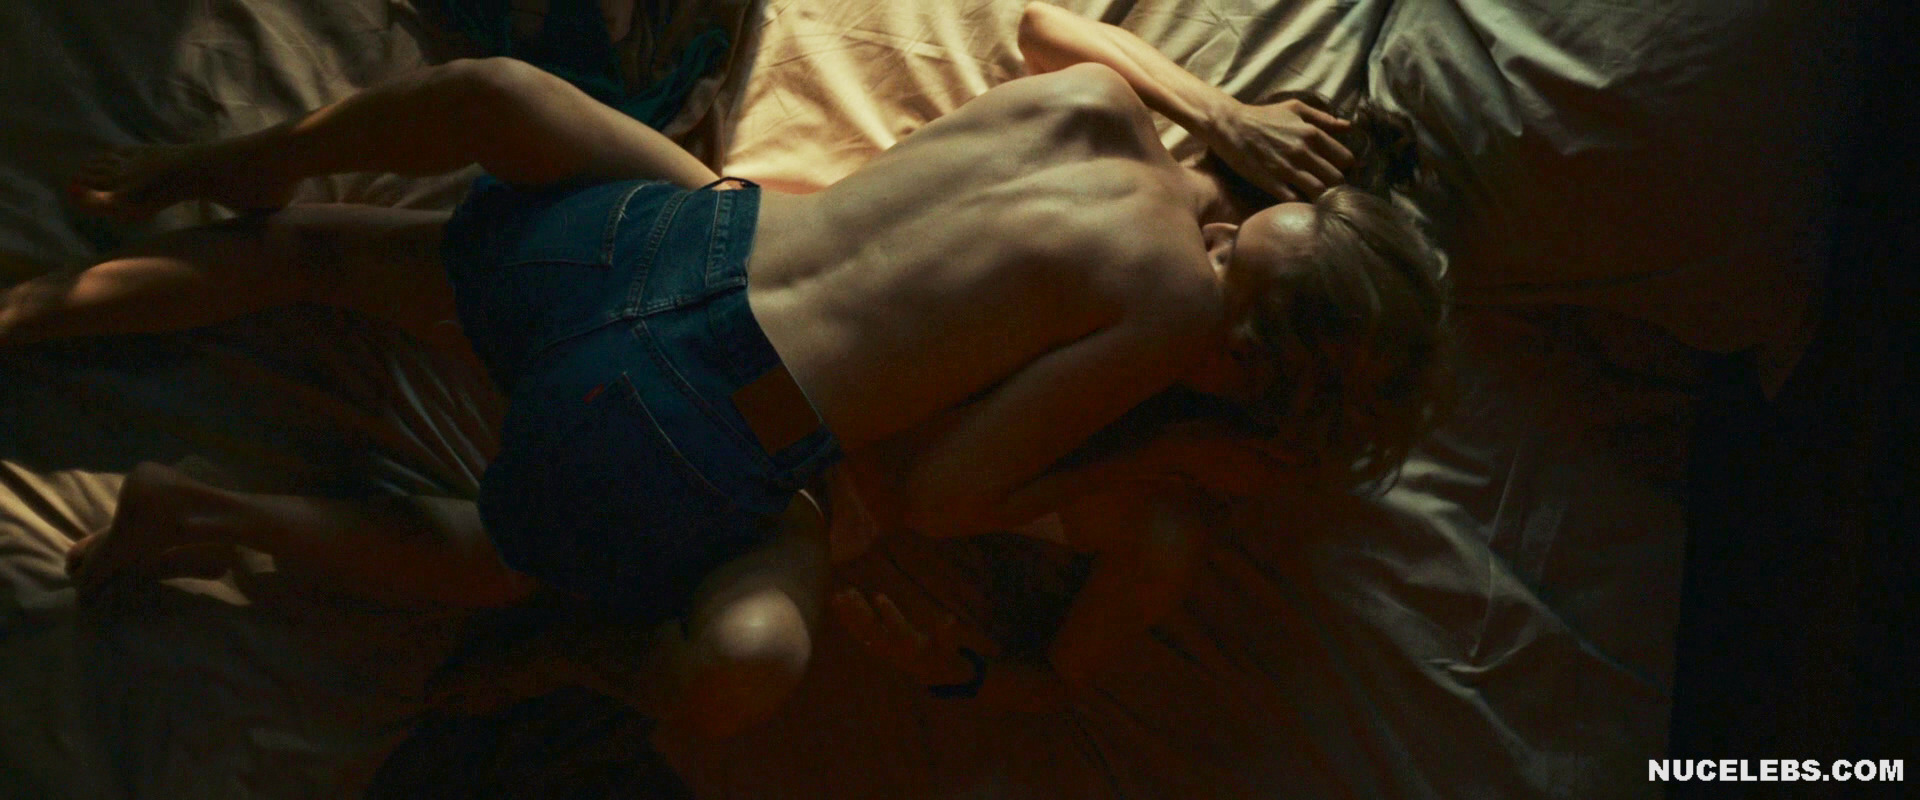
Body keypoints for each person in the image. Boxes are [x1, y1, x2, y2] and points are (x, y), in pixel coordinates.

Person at [2, 4, 1446, 734]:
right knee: (549, 575)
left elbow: (1053, 32)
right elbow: (942, 497)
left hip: (667, 244)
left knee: (463, 128)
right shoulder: (1171, 313)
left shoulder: (1098, 118)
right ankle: (221, 519)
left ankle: (209, 180)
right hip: (698, 424)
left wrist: (1215, 112)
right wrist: (1156, 440)